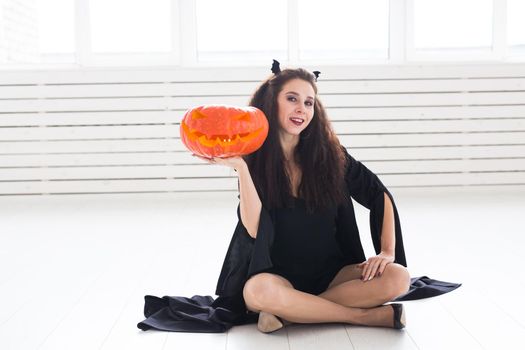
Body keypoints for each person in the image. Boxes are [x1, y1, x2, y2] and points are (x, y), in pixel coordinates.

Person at [193, 61, 411, 332]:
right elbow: (253, 227)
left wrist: (387, 252)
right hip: (277, 277)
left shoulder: (331, 155)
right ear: (272, 102)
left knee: (398, 278)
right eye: (292, 98)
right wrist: (241, 168)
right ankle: (363, 317)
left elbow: (377, 192)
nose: (301, 109)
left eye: (309, 102)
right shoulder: (254, 161)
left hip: (334, 275)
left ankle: (288, 314)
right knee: (257, 293)